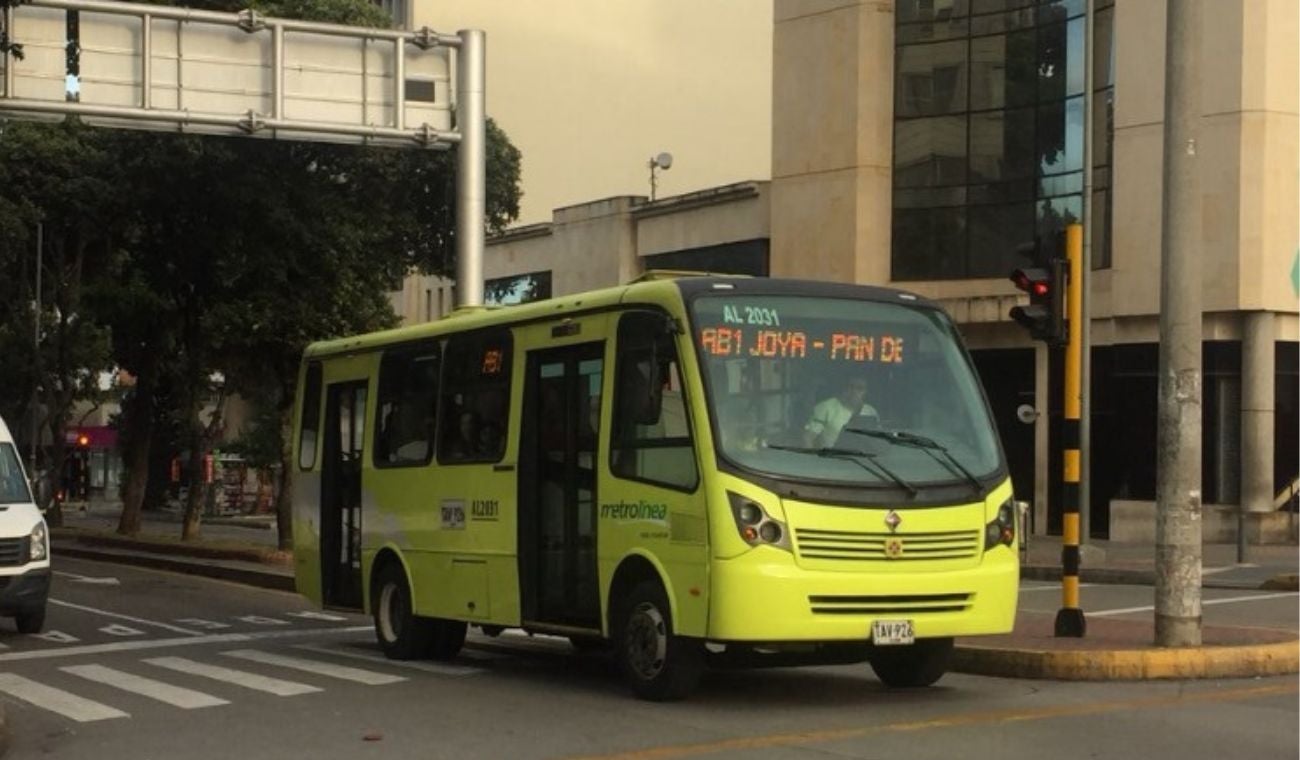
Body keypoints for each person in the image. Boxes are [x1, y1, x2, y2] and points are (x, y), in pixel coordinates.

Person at [803, 377, 879, 448]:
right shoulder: (826, 407)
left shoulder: (871, 412)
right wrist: (812, 459)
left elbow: (877, 441)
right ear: (844, 388)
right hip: (830, 459)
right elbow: (808, 438)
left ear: (865, 392)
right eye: (851, 387)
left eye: (860, 388)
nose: (854, 391)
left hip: (862, 460)